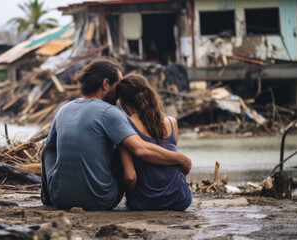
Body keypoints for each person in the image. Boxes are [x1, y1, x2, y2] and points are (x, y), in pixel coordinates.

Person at [41, 57, 191, 211]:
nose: (119, 95)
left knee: (48, 150)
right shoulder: (110, 112)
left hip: (60, 198)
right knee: (121, 146)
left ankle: (47, 197)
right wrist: (181, 158)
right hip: (102, 199)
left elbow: (50, 150)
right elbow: (141, 150)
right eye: (118, 86)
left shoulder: (63, 110)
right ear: (106, 84)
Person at [116, 73, 192, 211]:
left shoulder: (125, 127)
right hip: (182, 200)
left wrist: (131, 197)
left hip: (145, 203)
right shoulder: (171, 122)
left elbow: (130, 176)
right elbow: (171, 165)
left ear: (121, 100)